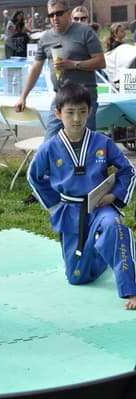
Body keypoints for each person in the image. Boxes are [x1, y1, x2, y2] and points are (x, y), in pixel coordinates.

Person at [27, 81, 136, 311]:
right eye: (70, 113)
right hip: (71, 210)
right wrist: (55, 206)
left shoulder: (103, 142)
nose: (76, 119)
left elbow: (128, 170)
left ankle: (131, 288)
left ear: (90, 112)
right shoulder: (49, 148)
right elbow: (33, 177)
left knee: (115, 227)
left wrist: (114, 196)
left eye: (82, 112)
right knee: (77, 277)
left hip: (100, 206)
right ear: (58, 114)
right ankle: (102, 253)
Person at [15, 0, 105, 140]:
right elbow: (36, 68)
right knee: (50, 143)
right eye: (51, 15)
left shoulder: (85, 32)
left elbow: (101, 62)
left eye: (59, 13)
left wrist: (73, 64)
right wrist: (23, 97)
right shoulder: (46, 38)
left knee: (84, 145)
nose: (55, 18)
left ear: (68, 13)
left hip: (85, 97)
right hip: (61, 97)